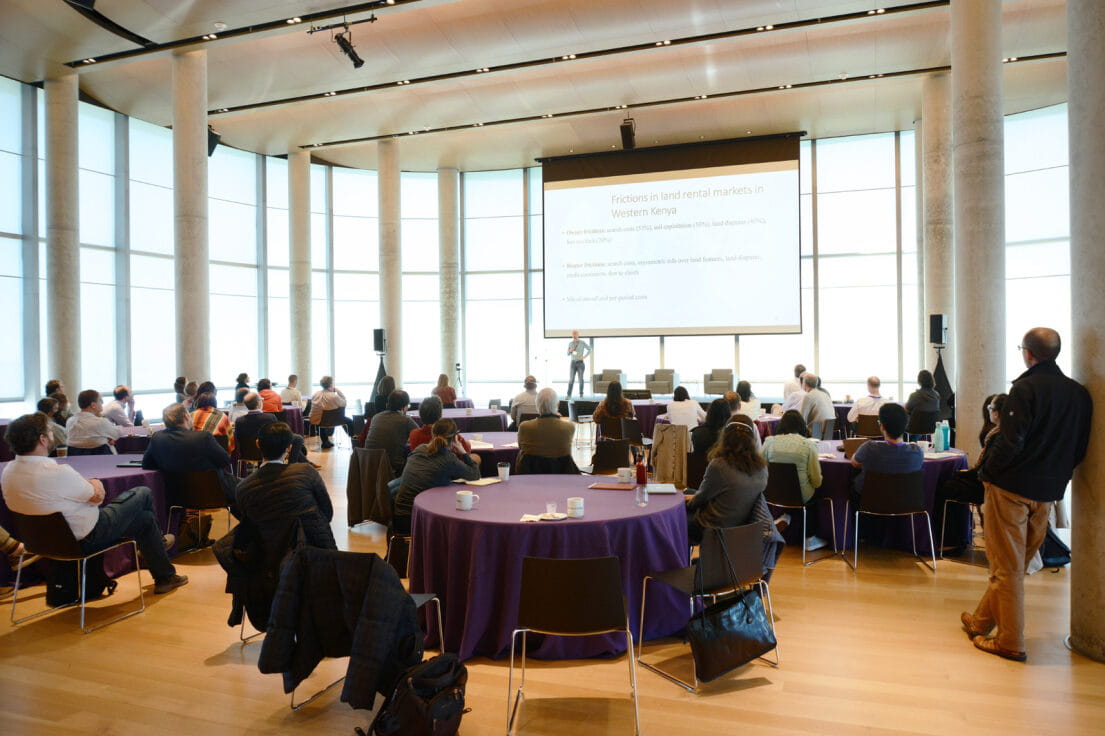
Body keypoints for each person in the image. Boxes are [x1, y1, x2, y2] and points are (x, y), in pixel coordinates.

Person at [963, 328, 1091, 662]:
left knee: (1006, 569)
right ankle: (979, 622)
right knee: (1015, 566)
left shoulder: (1024, 388)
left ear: (1029, 354)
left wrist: (986, 475)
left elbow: (1010, 441)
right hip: (1048, 493)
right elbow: (1079, 450)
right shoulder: (1079, 394)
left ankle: (1010, 642)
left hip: (1012, 489)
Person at [2, 412, 187, 594]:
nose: (52, 435)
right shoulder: (56, 472)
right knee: (143, 492)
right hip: (87, 537)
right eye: (49, 431)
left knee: (145, 520)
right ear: (42, 439)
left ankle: (165, 576)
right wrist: (95, 482)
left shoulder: (8, 472)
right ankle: (158, 547)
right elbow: (96, 496)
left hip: (40, 543)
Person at [683, 422, 784, 577]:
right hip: (742, 525)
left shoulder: (719, 465)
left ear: (724, 439)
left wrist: (687, 501)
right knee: (691, 493)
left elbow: (701, 499)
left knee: (675, 519)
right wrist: (694, 496)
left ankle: (680, 564)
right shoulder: (762, 468)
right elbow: (732, 494)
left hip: (713, 528)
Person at [234, 422, 336, 551]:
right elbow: (327, 512)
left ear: (257, 444)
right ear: (289, 448)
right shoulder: (307, 472)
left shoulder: (244, 487)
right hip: (316, 551)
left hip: (270, 556)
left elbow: (249, 524)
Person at [935, 394, 1008, 555]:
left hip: (988, 487)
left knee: (945, 487)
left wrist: (965, 474)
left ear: (996, 413)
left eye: (990, 409)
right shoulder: (1009, 433)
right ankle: (961, 534)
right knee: (953, 481)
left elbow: (986, 469)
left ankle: (950, 541)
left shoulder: (997, 435)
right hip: (999, 485)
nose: (988, 412)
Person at [391, 419, 481, 534]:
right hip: (419, 520)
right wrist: (463, 452)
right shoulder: (448, 459)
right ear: (455, 438)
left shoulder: (420, 449)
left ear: (432, 434)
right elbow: (475, 474)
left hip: (399, 516)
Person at [144, 403, 238, 507]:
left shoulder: (157, 438)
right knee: (248, 489)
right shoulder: (203, 437)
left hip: (174, 496)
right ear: (186, 416)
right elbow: (225, 461)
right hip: (211, 492)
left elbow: (147, 464)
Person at [763, 410, 827, 551]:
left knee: (790, 490)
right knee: (815, 491)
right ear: (802, 425)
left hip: (773, 493)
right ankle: (810, 537)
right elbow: (816, 480)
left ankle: (787, 516)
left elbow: (760, 467)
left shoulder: (769, 442)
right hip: (800, 495)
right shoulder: (809, 445)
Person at [849, 403, 923, 497]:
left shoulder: (868, 448)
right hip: (905, 504)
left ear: (882, 426)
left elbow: (854, 462)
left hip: (869, 501)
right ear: (905, 426)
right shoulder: (917, 452)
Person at [234, 393, 310, 465]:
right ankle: (291, 464)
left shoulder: (239, 420)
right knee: (298, 438)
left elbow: (237, 438)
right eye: (261, 400)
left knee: (294, 438)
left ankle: (305, 462)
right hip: (267, 449)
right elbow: (279, 434)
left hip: (247, 453)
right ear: (258, 403)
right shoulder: (269, 417)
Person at [517, 388, 576, 469]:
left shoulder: (525, 427)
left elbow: (520, 447)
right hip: (561, 473)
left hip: (530, 473)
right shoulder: (569, 427)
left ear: (537, 405)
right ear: (558, 405)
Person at [364, 389, 418, 475]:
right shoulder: (406, 420)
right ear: (404, 407)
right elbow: (418, 437)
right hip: (392, 467)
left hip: (369, 465)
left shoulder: (376, 417)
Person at [65, 390, 120, 455]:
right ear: (93, 405)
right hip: (101, 460)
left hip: (75, 460)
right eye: (100, 400)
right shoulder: (101, 422)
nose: (103, 402)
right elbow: (117, 434)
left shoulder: (70, 421)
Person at [308, 376, 354, 449]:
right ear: (331, 384)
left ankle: (325, 442)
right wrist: (338, 391)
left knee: (323, 420)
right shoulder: (334, 396)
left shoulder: (315, 394)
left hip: (317, 421)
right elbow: (344, 403)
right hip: (334, 421)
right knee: (350, 421)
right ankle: (353, 440)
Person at [566, 330, 591, 398]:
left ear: (578, 335)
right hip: (573, 363)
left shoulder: (582, 342)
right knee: (571, 379)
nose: (574, 335)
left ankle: (581, 395)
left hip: (580, 363)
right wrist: (569, 351)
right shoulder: (570, 343)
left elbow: (590, 349)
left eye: (575, 333)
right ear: (572, 335)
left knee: (580, 379)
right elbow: (567, 354)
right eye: (573, 334)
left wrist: (584, 356)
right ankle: (569, 395)